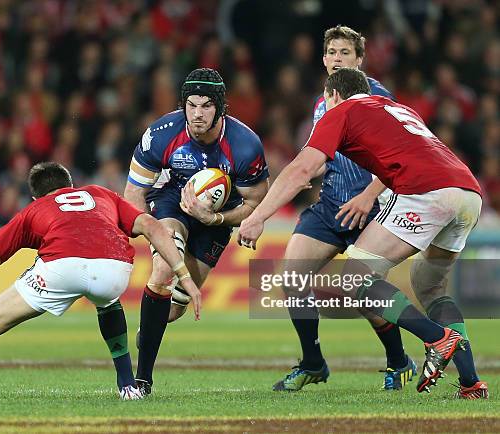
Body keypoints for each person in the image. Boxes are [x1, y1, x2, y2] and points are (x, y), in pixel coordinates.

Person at [239, 68, 488, 399]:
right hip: (468, 191)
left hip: (427, 192)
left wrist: (258, 217)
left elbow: (301, 171)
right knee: (430, 286)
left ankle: (435, 337)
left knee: (354, 277)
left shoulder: (340, 111)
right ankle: (470, 382)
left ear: (333, 96)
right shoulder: (398, 109)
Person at [0, 162, 201, 403]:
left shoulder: (33, 210)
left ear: (35, 196)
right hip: (115, 268)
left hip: (61, 268)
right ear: (71, 186)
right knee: (107, 300)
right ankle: (127, 386)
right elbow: (150, 225)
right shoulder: (100, 193)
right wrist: (184, 276)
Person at [272, 25, 414, 392]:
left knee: (362, 290)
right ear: (323, 59)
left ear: (360, 60)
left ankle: (399, 361)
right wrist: (308, 172)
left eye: (345, 53)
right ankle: (313, 363)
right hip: (332, 203)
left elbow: (403, 154)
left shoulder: (375, 95)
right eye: (332, 52)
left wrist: (370, 193)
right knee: (291, 278)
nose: (337, 59)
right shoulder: (323, 102)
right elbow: (322, 155)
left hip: (373, 206)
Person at [124, 68, 269, 395]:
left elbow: (256, 203)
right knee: (161, 273)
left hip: (217, 219)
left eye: (205, 106)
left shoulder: (245, 145)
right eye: (191, 105)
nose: (197, 114)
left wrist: (214, 219)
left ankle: (150, 326)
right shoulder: (161, 133)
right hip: (172, 201)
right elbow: (133, 192)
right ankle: (143, 379)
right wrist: (148, 229)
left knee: (174, 309)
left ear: (220, 108)